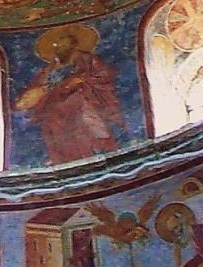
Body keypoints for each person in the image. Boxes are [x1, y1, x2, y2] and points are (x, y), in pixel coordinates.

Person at [15, 24, 123, 164]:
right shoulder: (49, 69)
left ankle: (93, 151)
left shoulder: (86, 59)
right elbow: (36, 88)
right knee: (52, 122)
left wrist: (80, 80)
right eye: (57, 46)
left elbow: (105, 73)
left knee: (77, 113)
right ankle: (61, 158)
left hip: (79, 98)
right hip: (53, 108)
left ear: (73, 46)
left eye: (64, 46)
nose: (59, 49)